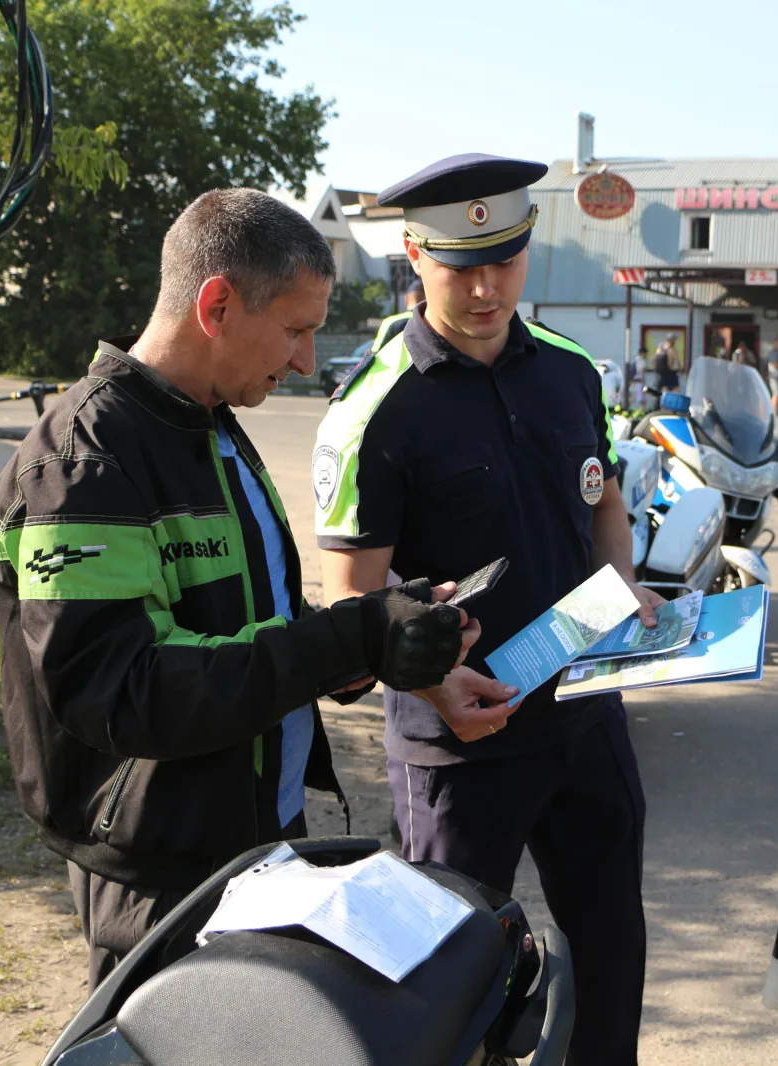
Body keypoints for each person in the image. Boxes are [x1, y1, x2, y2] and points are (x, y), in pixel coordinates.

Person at [0, 189, 474, 990]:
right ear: (216, 305)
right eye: (296, 329)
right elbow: (126, 692)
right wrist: (350, 637)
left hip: (252, 838)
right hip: (159, 872)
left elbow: (250, 628)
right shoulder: (81, 464)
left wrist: (380, 642)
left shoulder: (209, 424)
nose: (309, 359)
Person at [312, 154, 665, 1066]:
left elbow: (607, 506)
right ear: (412, 256)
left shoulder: (570, 372)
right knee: (448, 984)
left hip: (585, 719)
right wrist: (434, 693)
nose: (484, 287)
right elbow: (353, 597)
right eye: (459, 264)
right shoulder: (375, 409)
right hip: (460, 748)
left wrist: (621, 584)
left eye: (504, 260)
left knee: (610, 957)